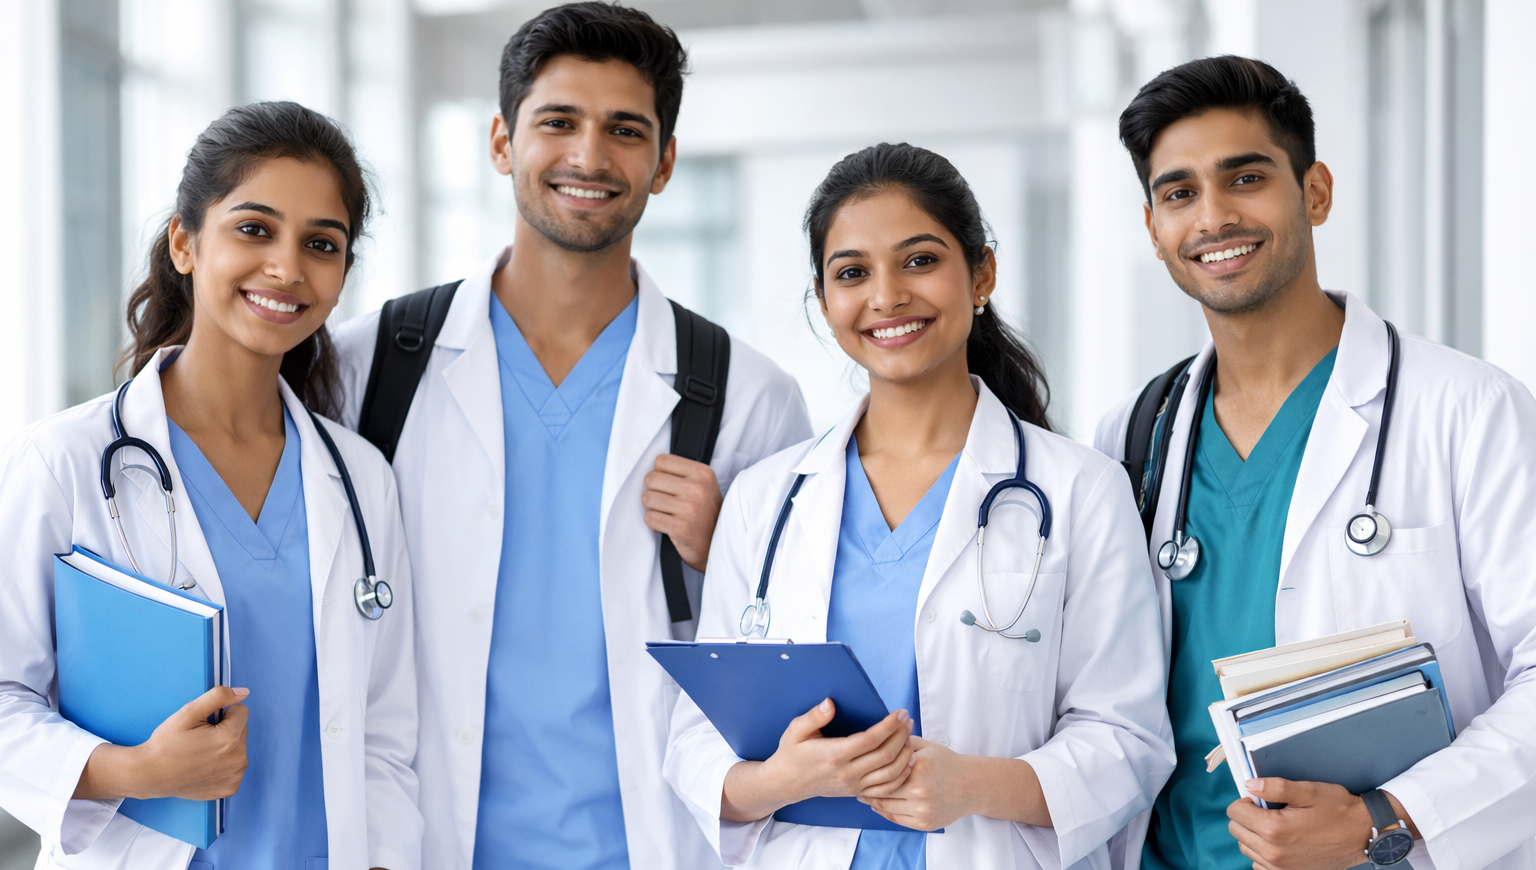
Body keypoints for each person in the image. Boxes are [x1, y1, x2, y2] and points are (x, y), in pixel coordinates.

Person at [330, 4, 810, 869]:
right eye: (558, 122)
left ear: (663, 164)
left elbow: (793, 667)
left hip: (655, 845)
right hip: (423, 843)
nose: (589, 156)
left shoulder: (748, 398)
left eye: (625, 130)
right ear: (501, 142)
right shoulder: (371, 369)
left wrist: (724, 552)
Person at [664, 142, 1174, 869]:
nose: (887, 296)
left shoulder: (1079, 490)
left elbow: (1126, 741)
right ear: (824, 302)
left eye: (920, 260)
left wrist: (973, 786)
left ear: (982, 274)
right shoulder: (767, 500)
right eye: (852, 273)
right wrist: (777, 781)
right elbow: (695, 742)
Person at [1095, 56, 1536, 870]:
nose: (1214, 216)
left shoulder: (1467, 410)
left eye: (1247, 177)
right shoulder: (1134, 434)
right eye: (1179, 193)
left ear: (1317, 192)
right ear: (1154, 229)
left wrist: (1387, 816)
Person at [0, 102, 421, 869]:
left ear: (341, 274)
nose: (287, 268)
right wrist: (134, 772)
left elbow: (385, 733)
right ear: (185, 242)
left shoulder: (360, 480)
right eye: (254, 229)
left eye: (320, 245)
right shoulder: (64, 460)